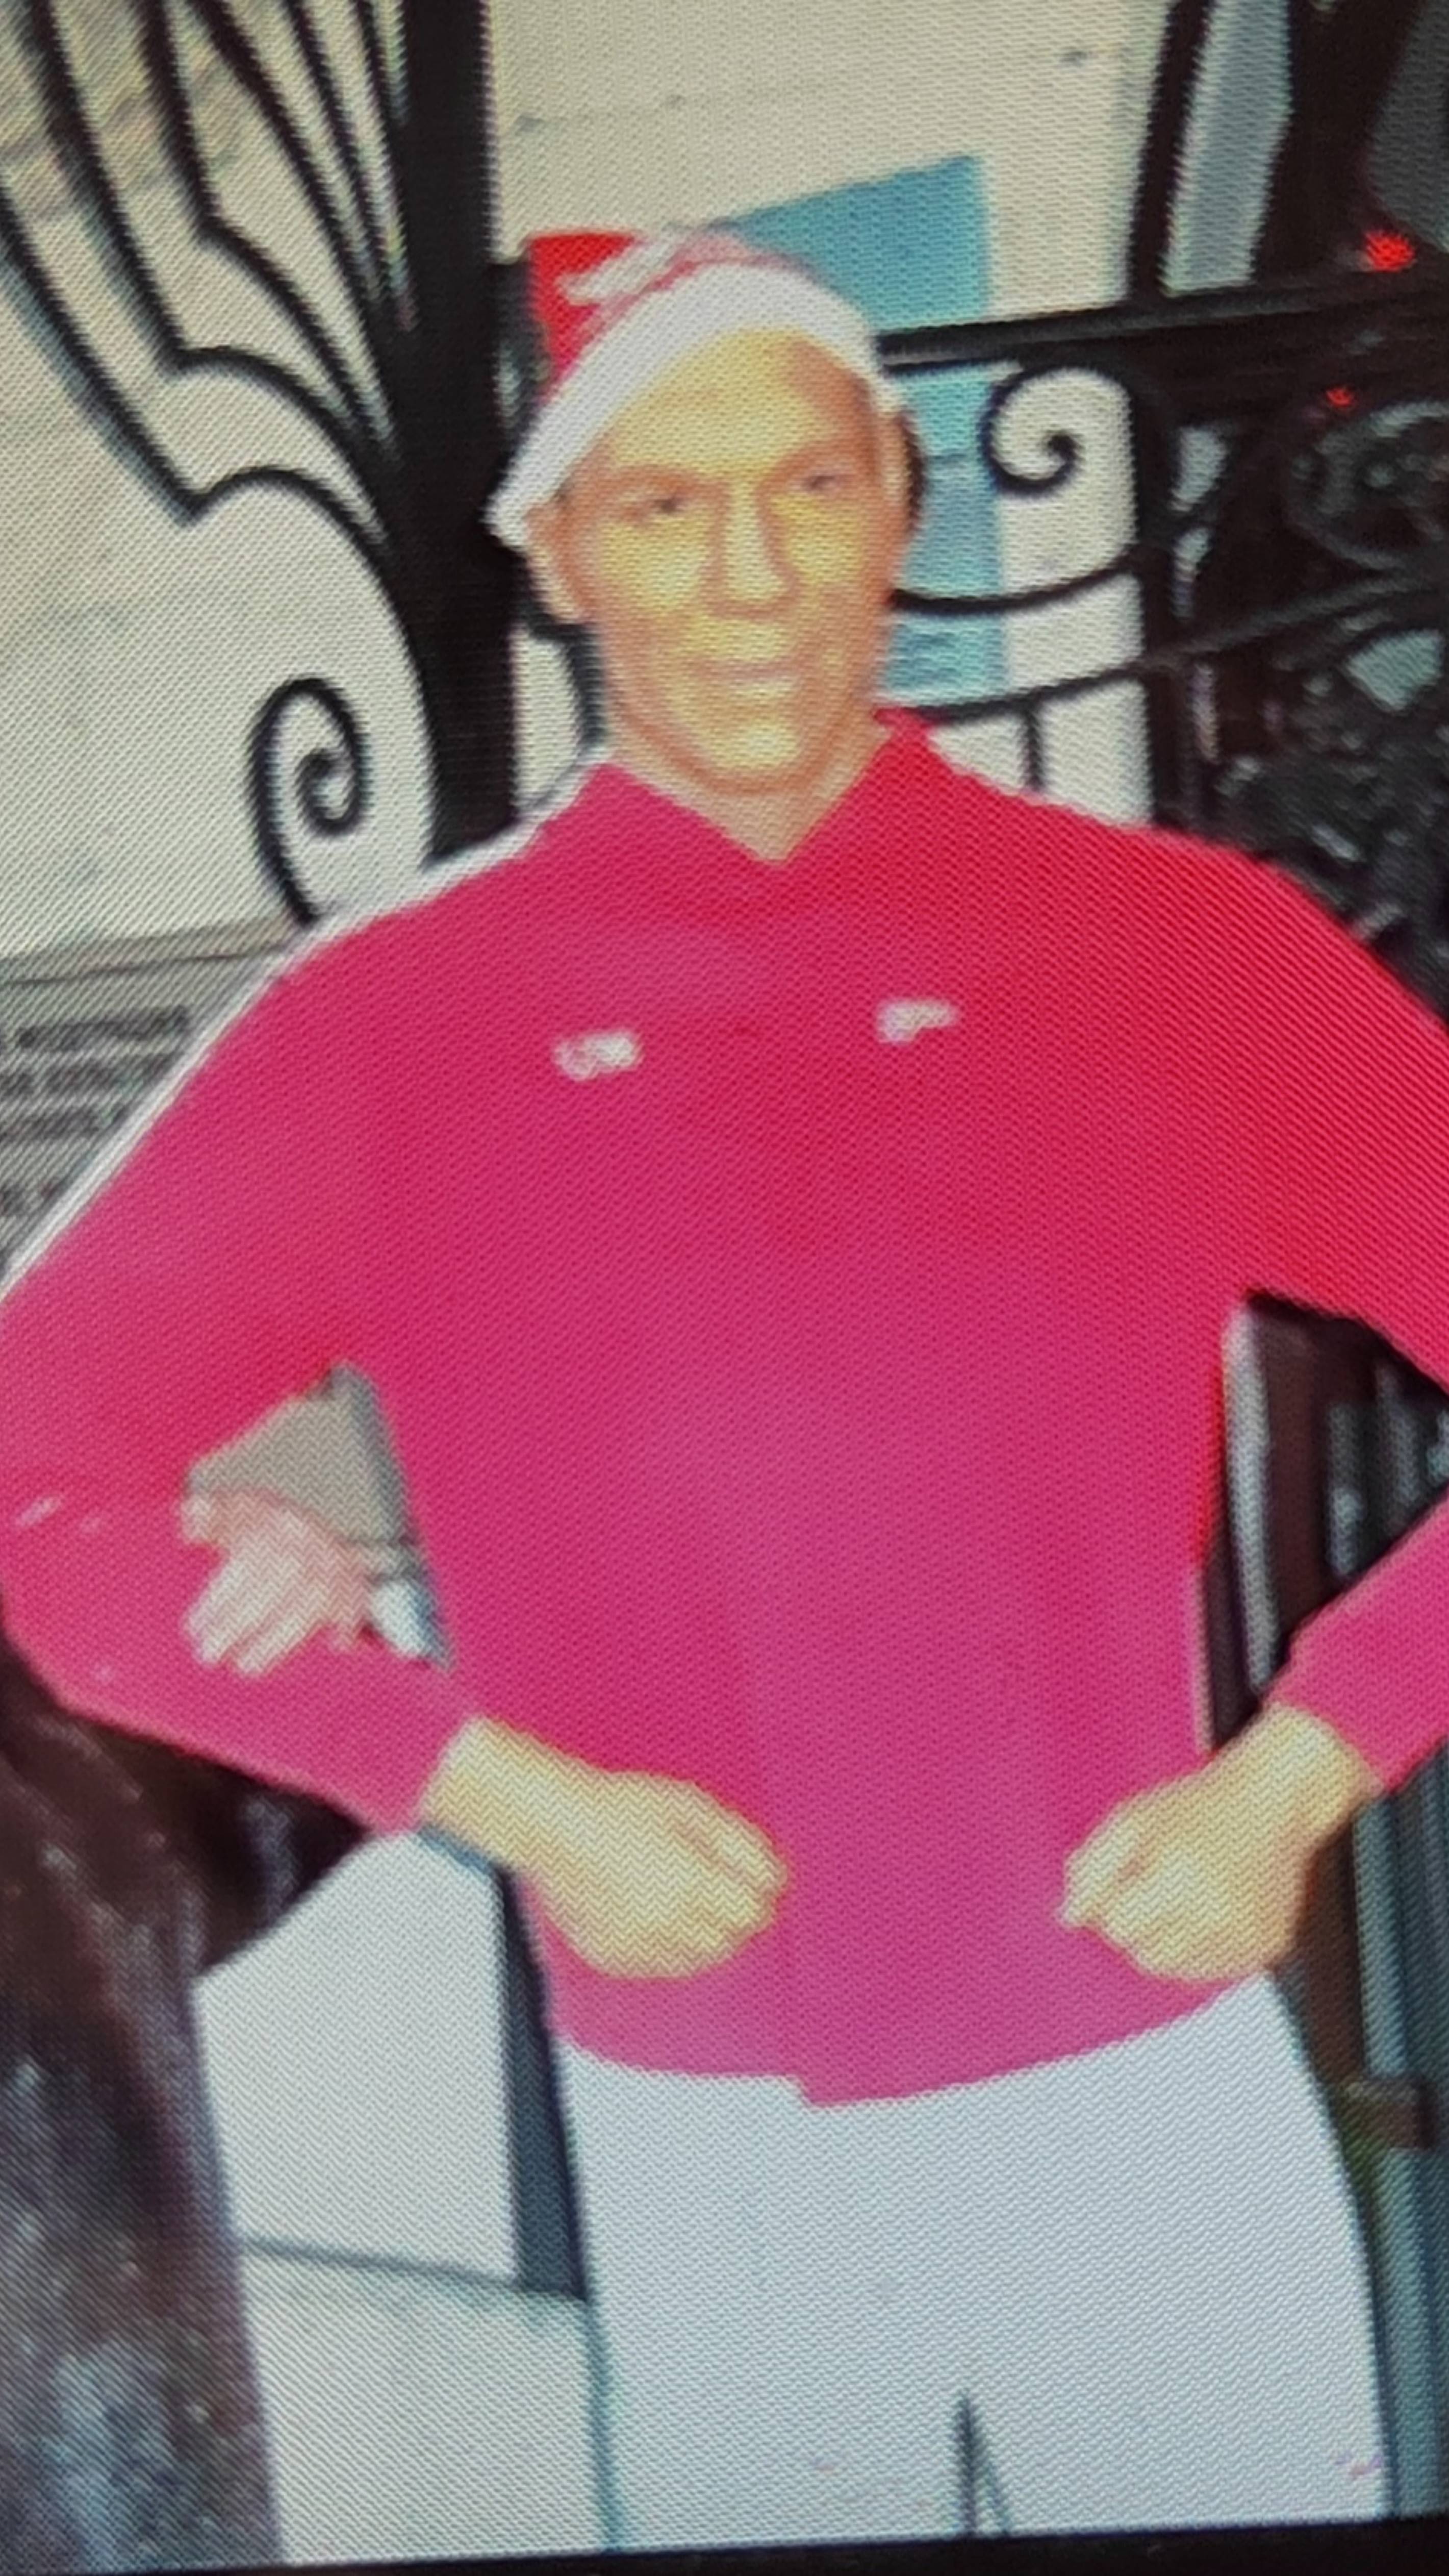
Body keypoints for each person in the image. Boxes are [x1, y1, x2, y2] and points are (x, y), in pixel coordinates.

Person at [0, 222, 1443, 2546]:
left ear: (899, 501)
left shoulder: (1167, 945)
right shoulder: (390, 1020)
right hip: (700, 2114)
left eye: (809, 485)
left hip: (1146, 2049)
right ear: (558, 556)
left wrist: (1307, 1762)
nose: (752, 576)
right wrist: (475, 1776)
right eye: (663, 506)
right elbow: (30, 1471)